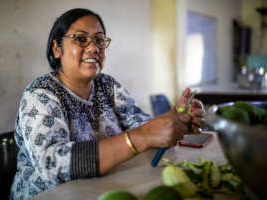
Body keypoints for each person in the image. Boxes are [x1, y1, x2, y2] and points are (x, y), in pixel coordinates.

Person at [10, 8, 204, 200]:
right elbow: (53, 165)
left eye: (99, 40)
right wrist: (140, 137)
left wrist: (176, 123)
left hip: (102, 189)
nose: (94, 48)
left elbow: (143, 128)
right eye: (80, 39)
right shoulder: (41, 94)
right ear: (56, 48)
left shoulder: (107, 85)